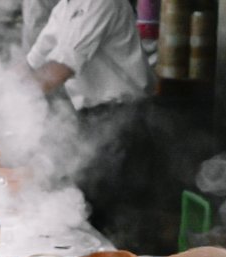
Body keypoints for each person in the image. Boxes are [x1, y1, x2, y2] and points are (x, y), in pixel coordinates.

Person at [22, 0, 155, 233]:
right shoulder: (66, 6)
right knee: (92, 210)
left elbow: (60, 69)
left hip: (122, 121)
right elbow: (32, 62)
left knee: (118, 218)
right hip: (92, 119)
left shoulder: (101, 3)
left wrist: (7, 100)